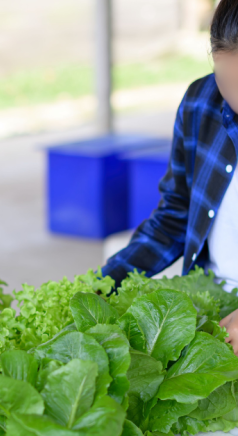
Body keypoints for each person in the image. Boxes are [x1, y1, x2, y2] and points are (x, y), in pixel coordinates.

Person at [102, 0, 238, 354]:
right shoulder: (201, 102)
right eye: (227, 84)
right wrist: (103, 286)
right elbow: (176, 214)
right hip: (213, 307)